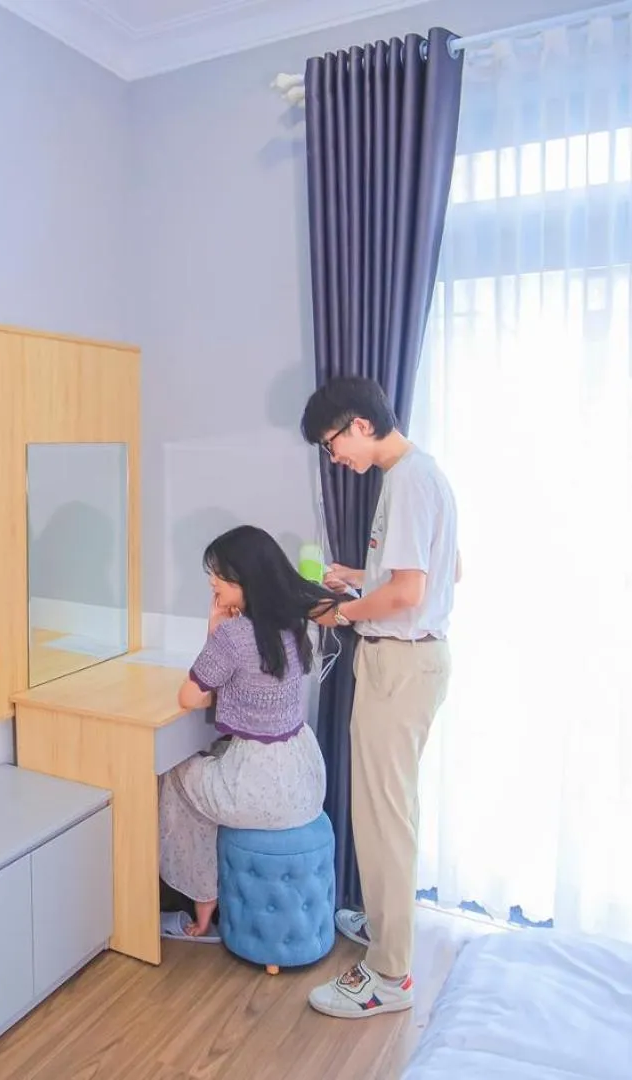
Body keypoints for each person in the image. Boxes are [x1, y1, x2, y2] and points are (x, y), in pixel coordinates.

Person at [298, 376, 459, 1019]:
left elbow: (409, 595)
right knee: (388, 812)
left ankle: (390, 976)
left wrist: (343, 611)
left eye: (332, 443)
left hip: (400, 662)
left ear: (359, 425)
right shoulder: (417, 475)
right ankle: (388, 928)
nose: (335, 456)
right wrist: (359, 578)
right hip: (409, 662)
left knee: (383, 819)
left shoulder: (411, 480)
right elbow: (441, 570)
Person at [157, 525, 337, 942]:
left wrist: (213, 631)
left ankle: (202, 910)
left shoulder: (236, 636)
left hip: (259, 789)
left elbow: (190, 697)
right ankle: (208, 901)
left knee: (175, 774)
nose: (211, 583)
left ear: (243, 579)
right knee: (207, 765)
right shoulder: (293, 621)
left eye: (217, 575)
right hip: (304, 781)